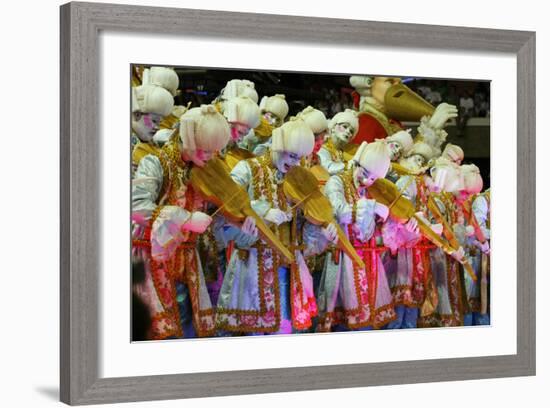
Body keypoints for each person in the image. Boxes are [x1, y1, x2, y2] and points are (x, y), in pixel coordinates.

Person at [216, 120, 339, 335]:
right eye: (292, 156)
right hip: (252, 264)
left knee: (285, 329)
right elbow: (225, 206)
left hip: (287, 266)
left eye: (300, 158)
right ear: (277, 147)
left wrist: (321, 231)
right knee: (251, 333)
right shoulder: (248, 168)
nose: (295, 163)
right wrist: (261, 211)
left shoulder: (299, 180)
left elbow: (303, 229)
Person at [131, 104, 230, 339]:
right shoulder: (155, 162)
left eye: (214, 150)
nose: (210, 156)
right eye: (205, 149)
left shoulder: (200, 171)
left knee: (188, 326)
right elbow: (136, 207)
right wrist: (184, 219)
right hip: (153, 259)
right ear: (187, 138)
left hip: (187, 260)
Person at [319, 141, 396, 331]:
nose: (366, 181)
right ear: (356, 163)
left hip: (366, 258)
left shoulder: (366, 191)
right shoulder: (336, 182)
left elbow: (367, 231)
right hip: (343, 257)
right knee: (343, 316)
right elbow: (340, 212)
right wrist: (372, 207)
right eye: (365, 174)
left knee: (366, 317)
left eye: (372, 179)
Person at [131, 84, 174, 174]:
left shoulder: (151, 143)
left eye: (159, 123)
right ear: (137, 115)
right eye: (154, 121)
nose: (157, 127)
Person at [317, 109, 359, 175]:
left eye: (351, 131)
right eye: (345, 126)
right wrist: (348, 166)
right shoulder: (324, 147)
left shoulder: (342, 152)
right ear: (333, 127)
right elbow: (328, 168)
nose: (348, 132)